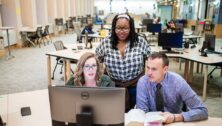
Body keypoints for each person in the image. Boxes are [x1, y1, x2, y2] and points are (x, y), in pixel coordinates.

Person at [96, 13, 151, 111]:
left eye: (125, 28)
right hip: (113, 86)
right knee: (113, 114)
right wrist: (100, 78)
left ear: (131, 28)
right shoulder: (106, 42)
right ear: (113, 28)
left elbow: (151, 60)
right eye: (118, 28)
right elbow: (96, 60)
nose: (121, 32)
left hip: (136, 86)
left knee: (136, 114)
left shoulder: (140, 42)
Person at [136, 52, 208, 124]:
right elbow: (142, 114)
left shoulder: (178, 82)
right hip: (152, 123)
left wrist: (175, 117)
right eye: (148, 68)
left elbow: (203, 110)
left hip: (175, 121)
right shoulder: (143, 82)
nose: (149, 73)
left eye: (154, 69)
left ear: (165, 69)